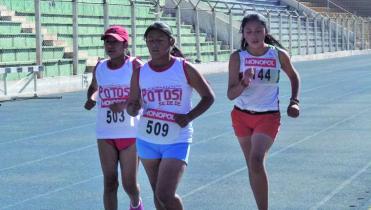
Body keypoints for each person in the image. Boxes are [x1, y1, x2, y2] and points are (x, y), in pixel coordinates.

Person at [126, 21, 215, 210]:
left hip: (177, 138)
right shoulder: (140, 72)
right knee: (159, 196)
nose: (155, 44)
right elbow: (132, 105)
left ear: (171, 42)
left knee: (164, 194)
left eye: (159, 40)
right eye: (150, 40)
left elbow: (208, 97)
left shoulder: (184, 68)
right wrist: (132, 108)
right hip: (147, 138)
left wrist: (189, 117)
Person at [227, 13, 301, 210]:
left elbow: (294, 77)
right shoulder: (237, 58)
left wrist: (294, 101)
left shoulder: (277, 55)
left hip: (267, 116)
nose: (254, 35)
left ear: (266, 32)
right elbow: (230, 94)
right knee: (253, 166)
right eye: (249, 31)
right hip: (241, 116)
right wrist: (243, 83)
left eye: (258, 31)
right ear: (243, 34)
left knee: (256, 160)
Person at [84, 25, 144, 210]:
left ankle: (136, 203)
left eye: (114, 42)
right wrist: (91, 98)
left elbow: (146, 94)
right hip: (105, 132)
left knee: (129, 184)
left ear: (125, 44)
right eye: (107, 42)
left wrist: (125, 105)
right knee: (109, 182)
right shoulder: (100, 67)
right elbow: (94, 88)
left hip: (131, 132)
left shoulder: (135, 65)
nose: (110, 46)